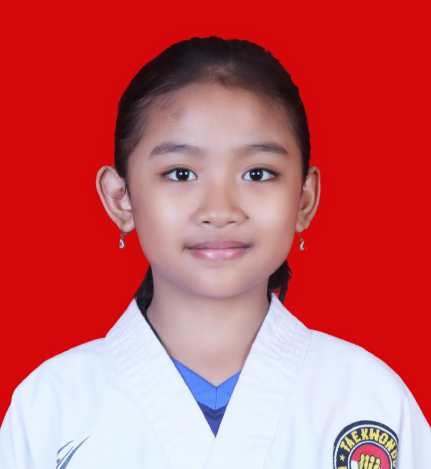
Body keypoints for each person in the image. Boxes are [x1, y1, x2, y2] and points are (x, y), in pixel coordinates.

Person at [0, 36, 429, 469]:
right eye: (180, 173)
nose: (220, 211)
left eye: (257, 173)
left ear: (304, 199)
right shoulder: (49, 409)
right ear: (120, 198)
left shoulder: (372, 401)